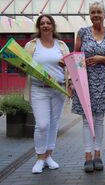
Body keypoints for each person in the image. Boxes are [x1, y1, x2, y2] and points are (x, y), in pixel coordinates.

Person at [71, 2, 105, 173]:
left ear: (104, 15)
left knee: (99, 120)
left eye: (99, 12)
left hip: (102, 81)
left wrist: (100, 59)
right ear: (89, 15)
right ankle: (87, 156)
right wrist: (72, 81)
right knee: (86, 120)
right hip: (84, 80)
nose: (96, 15)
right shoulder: (82, 32)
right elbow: (75, 56)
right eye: (93, 12)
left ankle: (98, 154)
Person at [23, 14, 70, 174]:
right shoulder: (31, 45)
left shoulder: (62, 45)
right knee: (42, 124)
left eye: (48, 23)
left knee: (53, 124)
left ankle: (49, 156)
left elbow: (69, 68)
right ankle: (39, 158)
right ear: (39, 27)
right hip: (39, 89)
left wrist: (68, 78)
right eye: (42, 23)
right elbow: (23, 68)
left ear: (53, 26)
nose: (45, 25)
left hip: (58, 90)